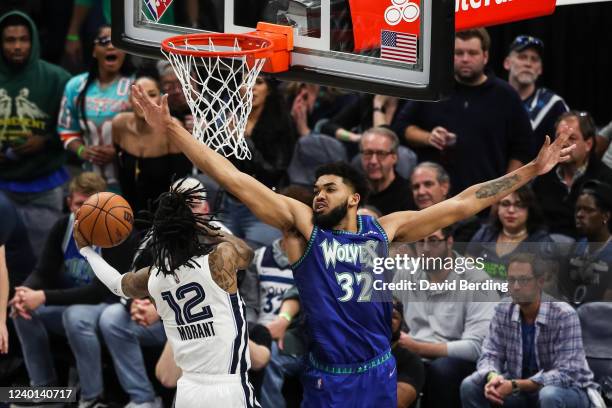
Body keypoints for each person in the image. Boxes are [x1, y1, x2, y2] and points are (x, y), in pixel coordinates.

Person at [130, 81, 574, 406]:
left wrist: (531, 171)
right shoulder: (304, 227)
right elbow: (233, 177)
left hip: (379, 368)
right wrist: (172, 127)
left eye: (330, 188)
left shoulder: (385, 228)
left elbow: (461, 203)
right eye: (317, 187)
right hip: (330, 376)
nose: (319, 193)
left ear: (355, 198)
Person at [76, 180, 260, 408]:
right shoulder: (218, 260)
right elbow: (247, 254)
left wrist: (86, 251)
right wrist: (205, 225)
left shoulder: (154, 277)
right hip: (228, 390)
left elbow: (117, 284)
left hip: (187, 391)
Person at [9, 172, 134, 408]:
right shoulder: (62, 226)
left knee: (74, 315)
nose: (85, 212)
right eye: (79, 205)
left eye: (91, 206)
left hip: (107, 307)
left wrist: (44, 296)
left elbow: (100, 291)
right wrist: (25, 291)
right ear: (69, 202)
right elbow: (43, 271)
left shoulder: (115, 231)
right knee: (22, 311)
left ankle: (92, 397)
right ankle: (44, 391)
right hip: (72, 303)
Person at [398, 28, 534, 195]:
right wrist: (428, 137)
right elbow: (401, 127)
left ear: (485, 56)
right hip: (435, 203)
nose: (465, 59)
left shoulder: (506, 95)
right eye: (459, 53)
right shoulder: (434, 88)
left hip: (485, 198)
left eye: (472, 53)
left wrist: (502, 192)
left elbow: (522, 149)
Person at [460, 253, 598, 408]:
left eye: (524, 280)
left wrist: (515, 385)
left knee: (549, 394)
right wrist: (493, 377)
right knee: (470, 385)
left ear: (540, 282)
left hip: (568, 391)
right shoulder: (503, 309)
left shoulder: (564, 314)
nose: (516, 287)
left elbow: (567, 374)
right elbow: (490, 354)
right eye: (511, 280)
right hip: (520, 389)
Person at [394, 226, 500, 407]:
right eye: (420, 241)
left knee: (442, 369)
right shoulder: (407, 273)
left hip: (457, 361)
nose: (425, 249)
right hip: (412, 351)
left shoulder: (476, 281)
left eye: (433, 240)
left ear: (450, 242)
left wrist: (419, 347)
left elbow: (476, 348)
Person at [0, 11, 72, 253]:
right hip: (1, 184)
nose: (18, 46)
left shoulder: (57, 78)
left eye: (23, 39)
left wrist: (47, 141)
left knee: (42, 262)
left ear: (33, 41)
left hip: (45, 185)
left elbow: (73, 128)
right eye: (10, 40)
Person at [219, 75, 295, 248]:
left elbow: (274, 171)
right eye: (246, 83)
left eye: (258, 82)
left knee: (255, 261)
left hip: (263, 204)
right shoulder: (232, 119)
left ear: (268, 90)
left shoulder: (282, 122)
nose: (251, 88)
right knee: (220, 260)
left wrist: (244, 140)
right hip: (230, 202)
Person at [58, 25, 132, 189]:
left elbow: (150, 133)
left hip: (128, 181)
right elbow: (66, 130)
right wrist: (81, 150)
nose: (111, 46)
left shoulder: (137, 86)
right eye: (104, 41)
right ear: (93, 51)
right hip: (89, 183)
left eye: (118, 42)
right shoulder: (75, 86)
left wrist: (120, 152)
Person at [112, 75, 192, 214]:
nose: (145, 100)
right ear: (129, 100)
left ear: (161, 98)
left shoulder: (172, 127)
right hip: (129, 210)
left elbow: (181, 180)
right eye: (138, 95)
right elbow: (119, 170)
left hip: (165, 214)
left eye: (152, 94)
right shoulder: (119, 124)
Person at [533, 111, 612, 239]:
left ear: (588, 144)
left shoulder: (606, 180)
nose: (564, 143)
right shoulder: (543, 176)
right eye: (560, 138)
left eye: (572, 138)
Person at [466, 186, 551, 281]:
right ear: (497, 208)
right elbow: (467, 271)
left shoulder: (541, 241)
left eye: (519, 205)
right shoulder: (485, 233)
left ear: (529, 210)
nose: (511, 210)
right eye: (505, 204)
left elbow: (545, 285)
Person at [504, 35, 569, 148]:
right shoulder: (492, 97)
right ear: (507, 63)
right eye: (522, 57)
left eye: (534, 59)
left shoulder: (554, 105)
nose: (528, 64)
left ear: (540, 69)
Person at [559, 180, 612, 305]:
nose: (579, 215)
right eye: (578, 209)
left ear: (605, 216)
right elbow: (561, 292)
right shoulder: (576, 247)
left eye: (588, 210)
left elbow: (606, 310)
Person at [358, 127, 415, 215]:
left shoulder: (409, 195)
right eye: (368, 153)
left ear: (394, 157)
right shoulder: (352, 192)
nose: (373, 161)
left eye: (381, 154)